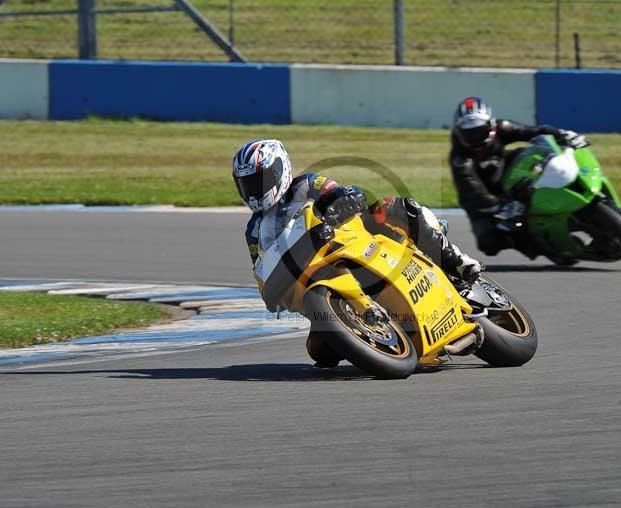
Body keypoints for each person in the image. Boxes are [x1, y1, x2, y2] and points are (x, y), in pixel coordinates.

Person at [232, 138, 482, 367]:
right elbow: (261, 267)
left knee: (392, 207)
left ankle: (454, 260)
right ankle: (381, 335)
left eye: (260, 180)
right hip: (317, 270)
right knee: (320, 351)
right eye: (247, 184)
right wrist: (271, 291)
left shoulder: (306, 184)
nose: (254, 190)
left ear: (280, 169)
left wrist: (345, 198)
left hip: (354, 238)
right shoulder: (254, 231)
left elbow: (336, 189)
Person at [449, 96, 588, 257]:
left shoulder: (503, 128)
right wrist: (501, 206)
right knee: (489, 243)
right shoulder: (460, 160)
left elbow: (534, 132)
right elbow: (473, 190)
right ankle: (538, 246)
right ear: (459, 132)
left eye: (480, 131)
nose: (475, 137)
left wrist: (562, 134)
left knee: (527, 154)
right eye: (469, 133)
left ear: (492, 126)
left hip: (503, 171)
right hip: (480, 200)